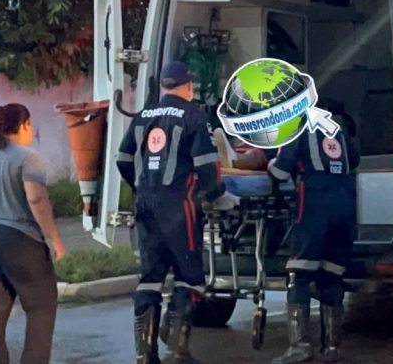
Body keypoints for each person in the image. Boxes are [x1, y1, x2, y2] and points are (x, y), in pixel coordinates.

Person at [117, 61, 238, 364]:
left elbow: (122, 158)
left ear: (162, 87)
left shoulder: (142, 117)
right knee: (189, 276)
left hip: (145, 204)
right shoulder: (194, 117)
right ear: (188, 87)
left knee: (149, 278)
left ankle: (145, 356)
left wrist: (141, 186)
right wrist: (214, 196)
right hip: (179, 205)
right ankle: (177, 350)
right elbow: (209, 167)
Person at [0, 104, 66, 364]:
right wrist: (54, 239)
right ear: (24, 126)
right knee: (41, 306)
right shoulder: (28, 157)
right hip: (19, 240)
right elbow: (36, 199)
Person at [268, 124, 360, 364]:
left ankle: (300, 347)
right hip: (346, 204)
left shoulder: (295, 128)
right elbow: (355, 159)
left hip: (315, 203)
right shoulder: (338, 127)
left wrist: (269, 164)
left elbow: (280, 172)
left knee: (300, 274)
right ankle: (331, 347)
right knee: (332, 275)